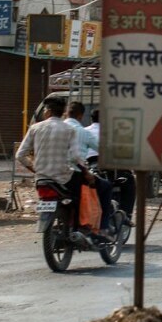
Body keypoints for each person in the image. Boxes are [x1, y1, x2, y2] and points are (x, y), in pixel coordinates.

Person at [17, 96, 104, 240]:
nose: (44, 112)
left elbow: (20, 155)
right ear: (62, 112)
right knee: (78, 198)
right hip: (64, 177)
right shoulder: (70, 130)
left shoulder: (35, 128)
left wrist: (34, 169)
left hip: (42, 179)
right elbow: (76, 157)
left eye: (45, 109)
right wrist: (86, 171)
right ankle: (77, 228)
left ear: (48, 112)